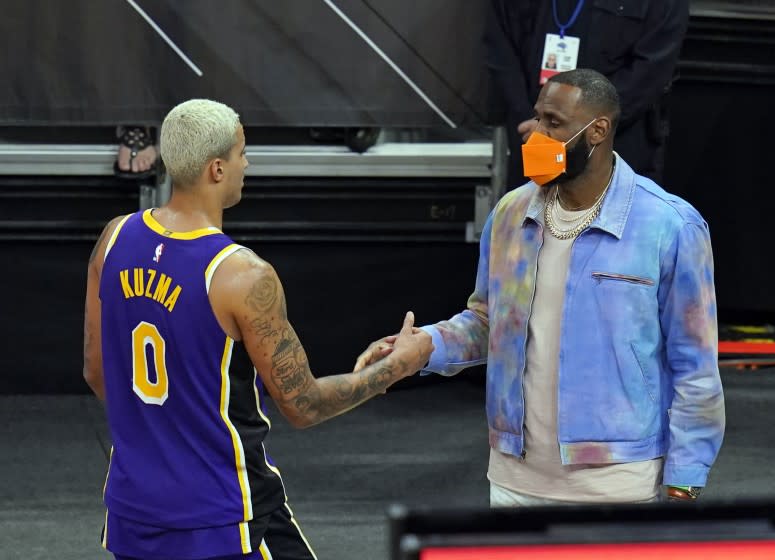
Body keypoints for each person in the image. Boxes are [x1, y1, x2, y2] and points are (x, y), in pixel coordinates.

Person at [83, 98, 433, 559]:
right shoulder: (241, 275)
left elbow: (96, 371)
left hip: (134, 511)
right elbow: (304, 405)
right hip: (224, 515)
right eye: (241, 153)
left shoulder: (114, 238)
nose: (246, 164)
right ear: (216, 169)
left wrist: (162, 432)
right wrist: (396, 369)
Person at [356, 69, 724, 506]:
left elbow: (695, 366)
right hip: (515, 479)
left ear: (598, 130)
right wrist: (423, 348)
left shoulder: (669, 225)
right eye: (537, 118)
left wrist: (685, 479)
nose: (536, 135)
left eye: (554, 123)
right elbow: (488, 322)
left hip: (618, 481)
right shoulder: (511, 214)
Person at [484, 0, 690, 189]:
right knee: (531, 224)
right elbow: (501, 48)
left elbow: (650, 70)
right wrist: (537, 123)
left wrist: (574, 128)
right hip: (534, 142)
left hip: (614, 149)